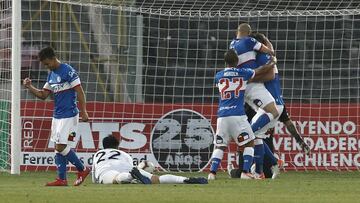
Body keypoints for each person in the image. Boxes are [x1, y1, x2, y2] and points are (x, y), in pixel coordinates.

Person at [229, 32, 310, 179]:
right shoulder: (268, 58)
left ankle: (260, 169)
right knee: (256, 136)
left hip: (272, 107)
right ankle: (268, 166)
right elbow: (270, 52)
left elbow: (269, 75)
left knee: (249, 135)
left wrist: (246, 78)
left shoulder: (261, 59)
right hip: (272, 106)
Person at [23, 47, 90, 186]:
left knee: (60, 147)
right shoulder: (51, 75)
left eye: (47, 63)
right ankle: (62, 179)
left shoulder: (68, 71)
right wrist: (30, 87)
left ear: (53, 58)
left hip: (69, 115)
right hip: (58, 116)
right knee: (59, 147)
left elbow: (80, 91)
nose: (47, 67)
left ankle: (82, 169)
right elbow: (43, 95)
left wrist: (84, 111)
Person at [208, 49, 276, 180]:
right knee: (250, 143)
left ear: (225, 61)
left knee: (220, 145)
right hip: (237, 114)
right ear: (237, 61)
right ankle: (245, 172)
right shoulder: (243, 73)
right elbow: (260, 71)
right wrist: (272, 63)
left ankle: (212, 173)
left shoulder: (218, 75)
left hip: (222, 115)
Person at [92, 135, 208, 185]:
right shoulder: (124, 154)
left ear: (104, 146)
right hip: (128, 168)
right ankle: (185, 179)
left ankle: (131, 177)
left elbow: (94, 177)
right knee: (157, 179)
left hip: (106, 171)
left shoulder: (98, 154)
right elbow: (132, 167)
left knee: (116, 179)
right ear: (117, 147)